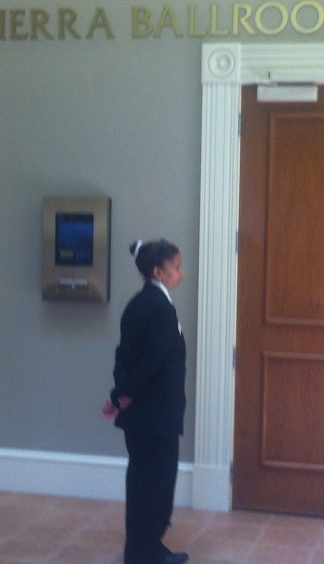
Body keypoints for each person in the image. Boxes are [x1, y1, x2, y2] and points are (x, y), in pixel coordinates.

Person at [102, 239, 189, 564]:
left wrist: (119, 394)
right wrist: (122, 394)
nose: (181, 273)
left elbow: (123, 357)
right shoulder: (161, 309)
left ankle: (145, 548)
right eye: (177, 267)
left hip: (141, 416)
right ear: (158, 272)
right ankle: (144, 554)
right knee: (156, 487)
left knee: (142, 483)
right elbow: (151, 362)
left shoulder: (137, 304)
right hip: (157, 417)